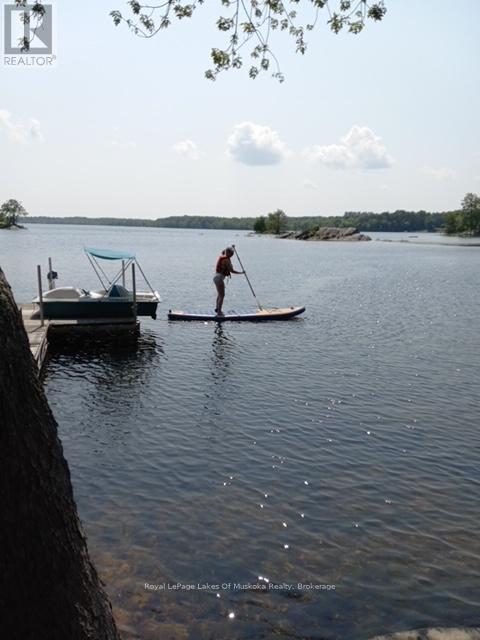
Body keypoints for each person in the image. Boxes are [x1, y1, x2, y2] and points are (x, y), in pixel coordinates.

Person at [213, 246, 244, 315]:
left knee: (219, 295)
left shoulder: (223, 256)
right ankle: (219, 312)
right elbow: (232, 271)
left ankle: (217, 309)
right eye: (231, 254)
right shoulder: (226, 260)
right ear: (228, 253)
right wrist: (241, 273)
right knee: (222, 295)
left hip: (216, 278)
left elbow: (224, 251)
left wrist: (232, 248)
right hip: (219, 278)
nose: (232, 255)